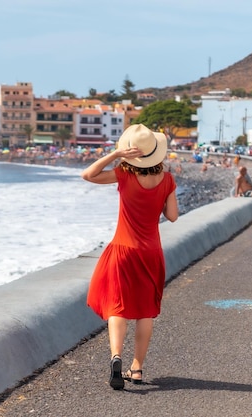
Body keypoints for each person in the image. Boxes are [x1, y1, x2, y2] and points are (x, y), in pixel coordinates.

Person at [81, 124, 179, 390]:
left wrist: (115, 155)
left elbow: (88, 175)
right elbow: (172, 217)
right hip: (150, 252)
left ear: (130, 155)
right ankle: (136, 369)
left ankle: (116, 357)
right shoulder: (168, 180)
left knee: (117, 307)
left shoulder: (123, 175)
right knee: (145, 311)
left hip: (122, 250)